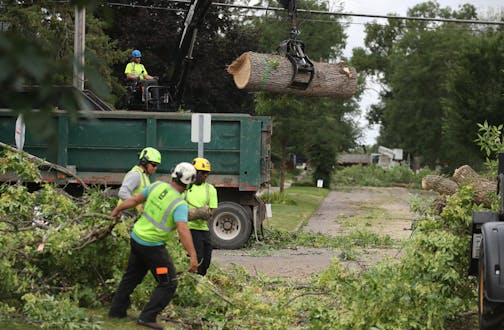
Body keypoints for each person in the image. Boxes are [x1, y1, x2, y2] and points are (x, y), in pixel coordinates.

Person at [108, 162, 198, 330]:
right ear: (189, 183)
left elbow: (134, 200)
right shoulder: (179, 204)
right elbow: (183, 230)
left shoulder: (156, 186)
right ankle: (147, 318)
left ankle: (116, 311)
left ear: (174, 174)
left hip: (136, 239)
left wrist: (117, 209)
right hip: (152, 248)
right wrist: (193, 255)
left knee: (132, 276)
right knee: (168, 283)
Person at [184, 157, 218, 276]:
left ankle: (200, 279)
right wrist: (195, 213)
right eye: (203, 173)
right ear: (194, 172)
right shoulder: (186, 188)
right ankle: (193, 280)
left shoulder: (211, 189)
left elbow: (212, 210)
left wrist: (206, 213)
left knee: (206, 260)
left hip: (204, 229)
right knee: (197, 257)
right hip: (190, 228)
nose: (205, 175)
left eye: (207, 173)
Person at [117, 147, 161, 217]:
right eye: (154, 165)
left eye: (157, 165)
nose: (155, 168)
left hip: (133, 214)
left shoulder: (145, 175)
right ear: (144, 162)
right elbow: (122, 193)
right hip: (125, 213)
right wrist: (136, 204)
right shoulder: (135, 175)